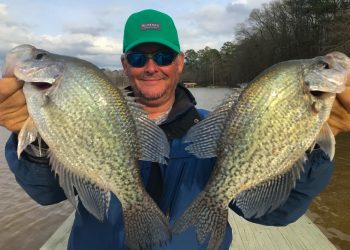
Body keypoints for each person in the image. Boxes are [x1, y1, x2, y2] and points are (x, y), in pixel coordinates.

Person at [1, 9, 350, 250]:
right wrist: (36, 142)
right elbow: (47, 194)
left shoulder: (219, 127)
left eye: (163, 57)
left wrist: (309, 146)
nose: (151, 68)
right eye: (138, 59)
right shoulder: (93, 116)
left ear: (180, 62)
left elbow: (276, 212)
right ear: (125, 65)